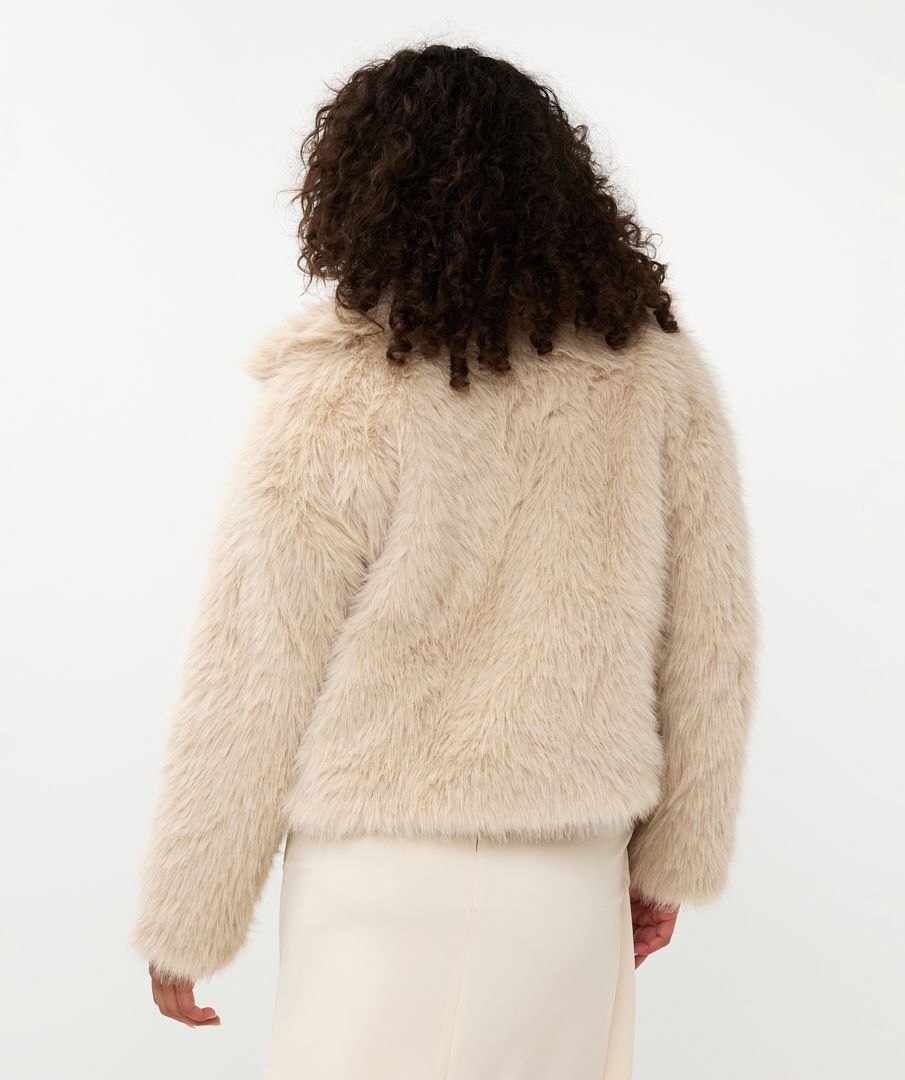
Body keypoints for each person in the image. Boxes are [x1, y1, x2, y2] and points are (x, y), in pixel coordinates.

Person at [132, 42, 759, 1080]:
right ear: (558, 186)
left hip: (379, 874)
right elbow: (711, 643)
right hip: (567, 876)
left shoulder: (339, 387)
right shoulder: (655, 380)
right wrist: (671, 859)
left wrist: (187, 914)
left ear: (360, 193)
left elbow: (253, 666)